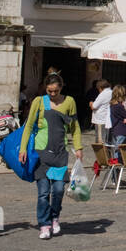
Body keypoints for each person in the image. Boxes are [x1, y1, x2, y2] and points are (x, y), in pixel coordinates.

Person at [19, 73, 83, 240]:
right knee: (43, 192)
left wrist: (78, 147)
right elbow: (28, 126)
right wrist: (23, 148)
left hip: (60, 153)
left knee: (59, 189)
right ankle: (44, 224)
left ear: (61, 88)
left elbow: (75, 127)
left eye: (55, 91)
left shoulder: (69, 102)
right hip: (41, 153)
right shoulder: (39, 101)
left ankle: (54, 217)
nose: (52, 94)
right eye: (49, 91)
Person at [90, 79, 112, 145]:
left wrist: (91, 103)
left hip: (100, 120)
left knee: (100, 142)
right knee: (106, 139)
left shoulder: (103, 94)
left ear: (100, 88)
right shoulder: (111, 92)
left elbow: (94, 106)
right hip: (107, 119)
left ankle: (102, 155)